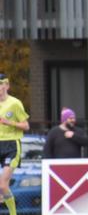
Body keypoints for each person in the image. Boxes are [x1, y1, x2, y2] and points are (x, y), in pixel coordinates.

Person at [0, 73, 29, 215]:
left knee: (3, 185)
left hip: (11, 145)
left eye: (1, 84)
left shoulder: (15, 103)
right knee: (2, 189)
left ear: (7, 86)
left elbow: (26, 126)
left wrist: (8, 122)